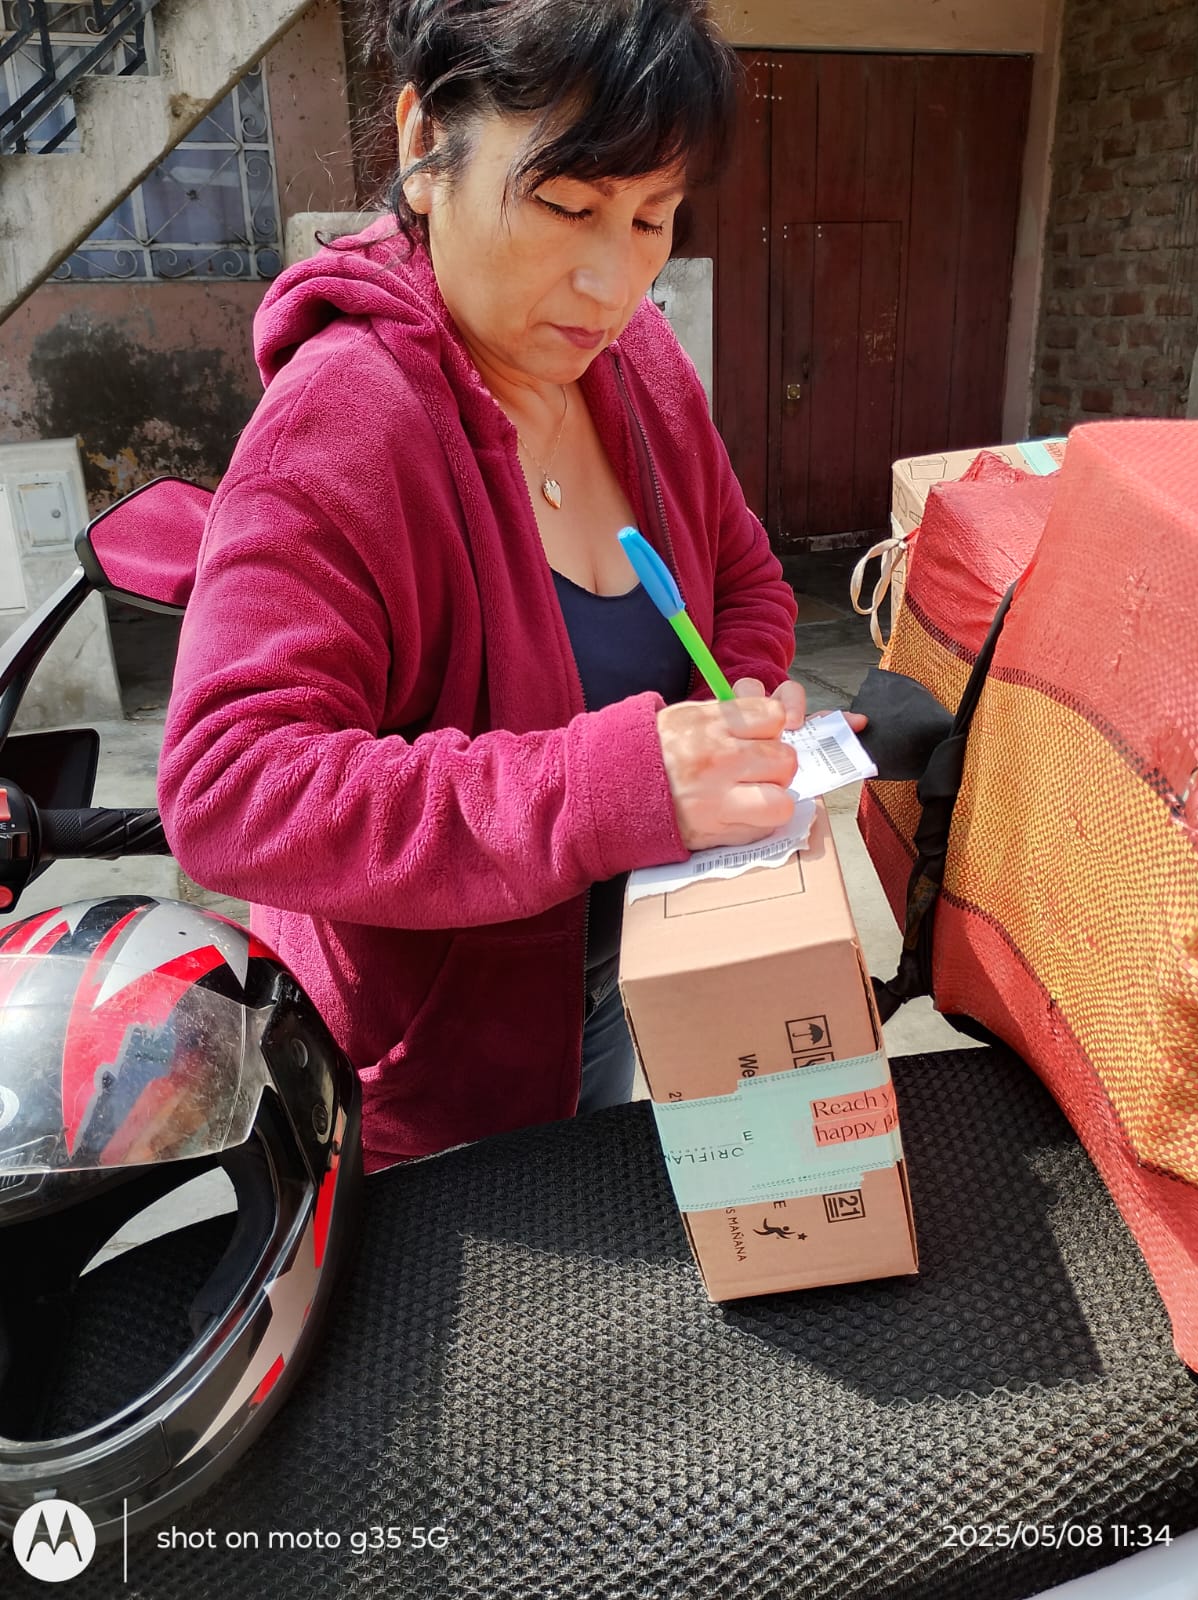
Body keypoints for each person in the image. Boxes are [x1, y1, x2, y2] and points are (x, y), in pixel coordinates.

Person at [158, 0, 864, 1172]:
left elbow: (741, 571)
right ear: (424, 143)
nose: (610, 278)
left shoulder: (635, 364)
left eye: (652, 217)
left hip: (615, 979)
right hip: (430, 1069)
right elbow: (232, 787)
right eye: (568, 205)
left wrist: (731, 706)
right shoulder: (343, 426)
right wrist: (619, 782)